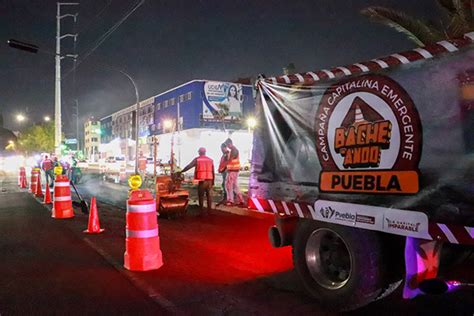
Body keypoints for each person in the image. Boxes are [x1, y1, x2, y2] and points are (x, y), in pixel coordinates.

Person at [179, 147, 214, 215]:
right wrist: (213, 181)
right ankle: (209, 211)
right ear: (205, 152)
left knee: (201, 196)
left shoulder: (198, 159)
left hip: (202, 181)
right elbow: (212, 171)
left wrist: (181, 171)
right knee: (209, 196)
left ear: (199, 152)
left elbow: (189, 166)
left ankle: (201, 212)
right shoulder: (210, 160)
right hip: (209, 180)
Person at [224, 138, 244, 206]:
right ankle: (241, 200)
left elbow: (230, 160)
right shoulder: (233, 150)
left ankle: (230, 200)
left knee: (228, 186)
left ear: (230, 143)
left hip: (233, 171)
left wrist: (223, 166)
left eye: (227, 145)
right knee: (235, 186)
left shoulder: (234, 150)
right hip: (234, 170)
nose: (227, 147)